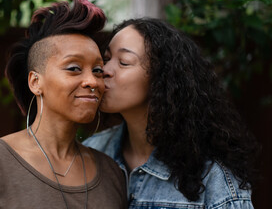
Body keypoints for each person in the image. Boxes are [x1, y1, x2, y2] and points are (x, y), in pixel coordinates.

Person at [0, 0, 127, 209]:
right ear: (35, 82)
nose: (92, 81)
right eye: (74, 68)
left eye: (97, 70)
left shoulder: (112, 174)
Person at [83, 18, 259, 208]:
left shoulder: (212, 175)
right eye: (107, 59)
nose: (104, 71)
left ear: (162, 79)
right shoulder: (91, 152)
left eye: (124, 62)